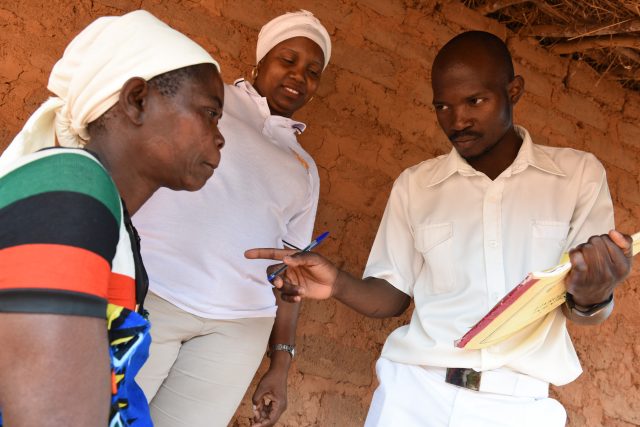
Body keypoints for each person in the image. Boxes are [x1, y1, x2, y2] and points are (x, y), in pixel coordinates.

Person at [245, 31, 634, 426]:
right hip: (414, 394)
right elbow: (394, 297)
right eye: (442, 106)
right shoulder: (416, 186)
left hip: (520, 405)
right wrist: (338, 284)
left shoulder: (576, 176)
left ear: (513, 90)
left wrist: (595, 292)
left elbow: (584, 306)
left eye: (474, 101)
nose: (457, 120)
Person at [0, 10, 225, 427]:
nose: (220, 135)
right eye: (209, 112)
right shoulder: (71, 188)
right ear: (137, 100)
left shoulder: (107, 213)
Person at [132, 10, 331, 427]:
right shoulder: (212, 102)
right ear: (260, 63)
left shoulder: (304, 167)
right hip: (153, 296)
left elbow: (290, 274)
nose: (298, 75)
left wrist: (280, 364)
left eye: (313, 71)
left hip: (238, 328)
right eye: (288, 59)